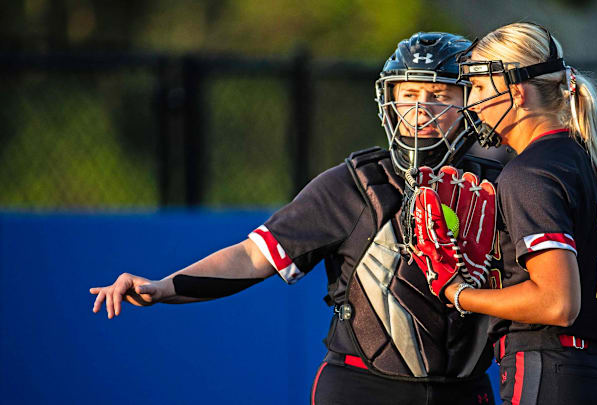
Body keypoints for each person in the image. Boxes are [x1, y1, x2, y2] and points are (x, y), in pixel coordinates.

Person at [90, 32, 512, 405]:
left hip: (465, 388)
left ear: (470, 101)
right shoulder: (353, 185)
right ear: (389, 99)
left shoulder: (499, 187)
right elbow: (251, 257)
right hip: (364, 387)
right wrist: (164, 286)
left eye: (439, 95)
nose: (422, 109)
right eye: (409, 94)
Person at [429, 23, 597, 404]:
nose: (471, 103)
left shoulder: (529, 172)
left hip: (555, 371)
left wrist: (460, 294)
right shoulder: (590, 158)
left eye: (480, 88)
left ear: (517, 93)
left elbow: (557, 303)